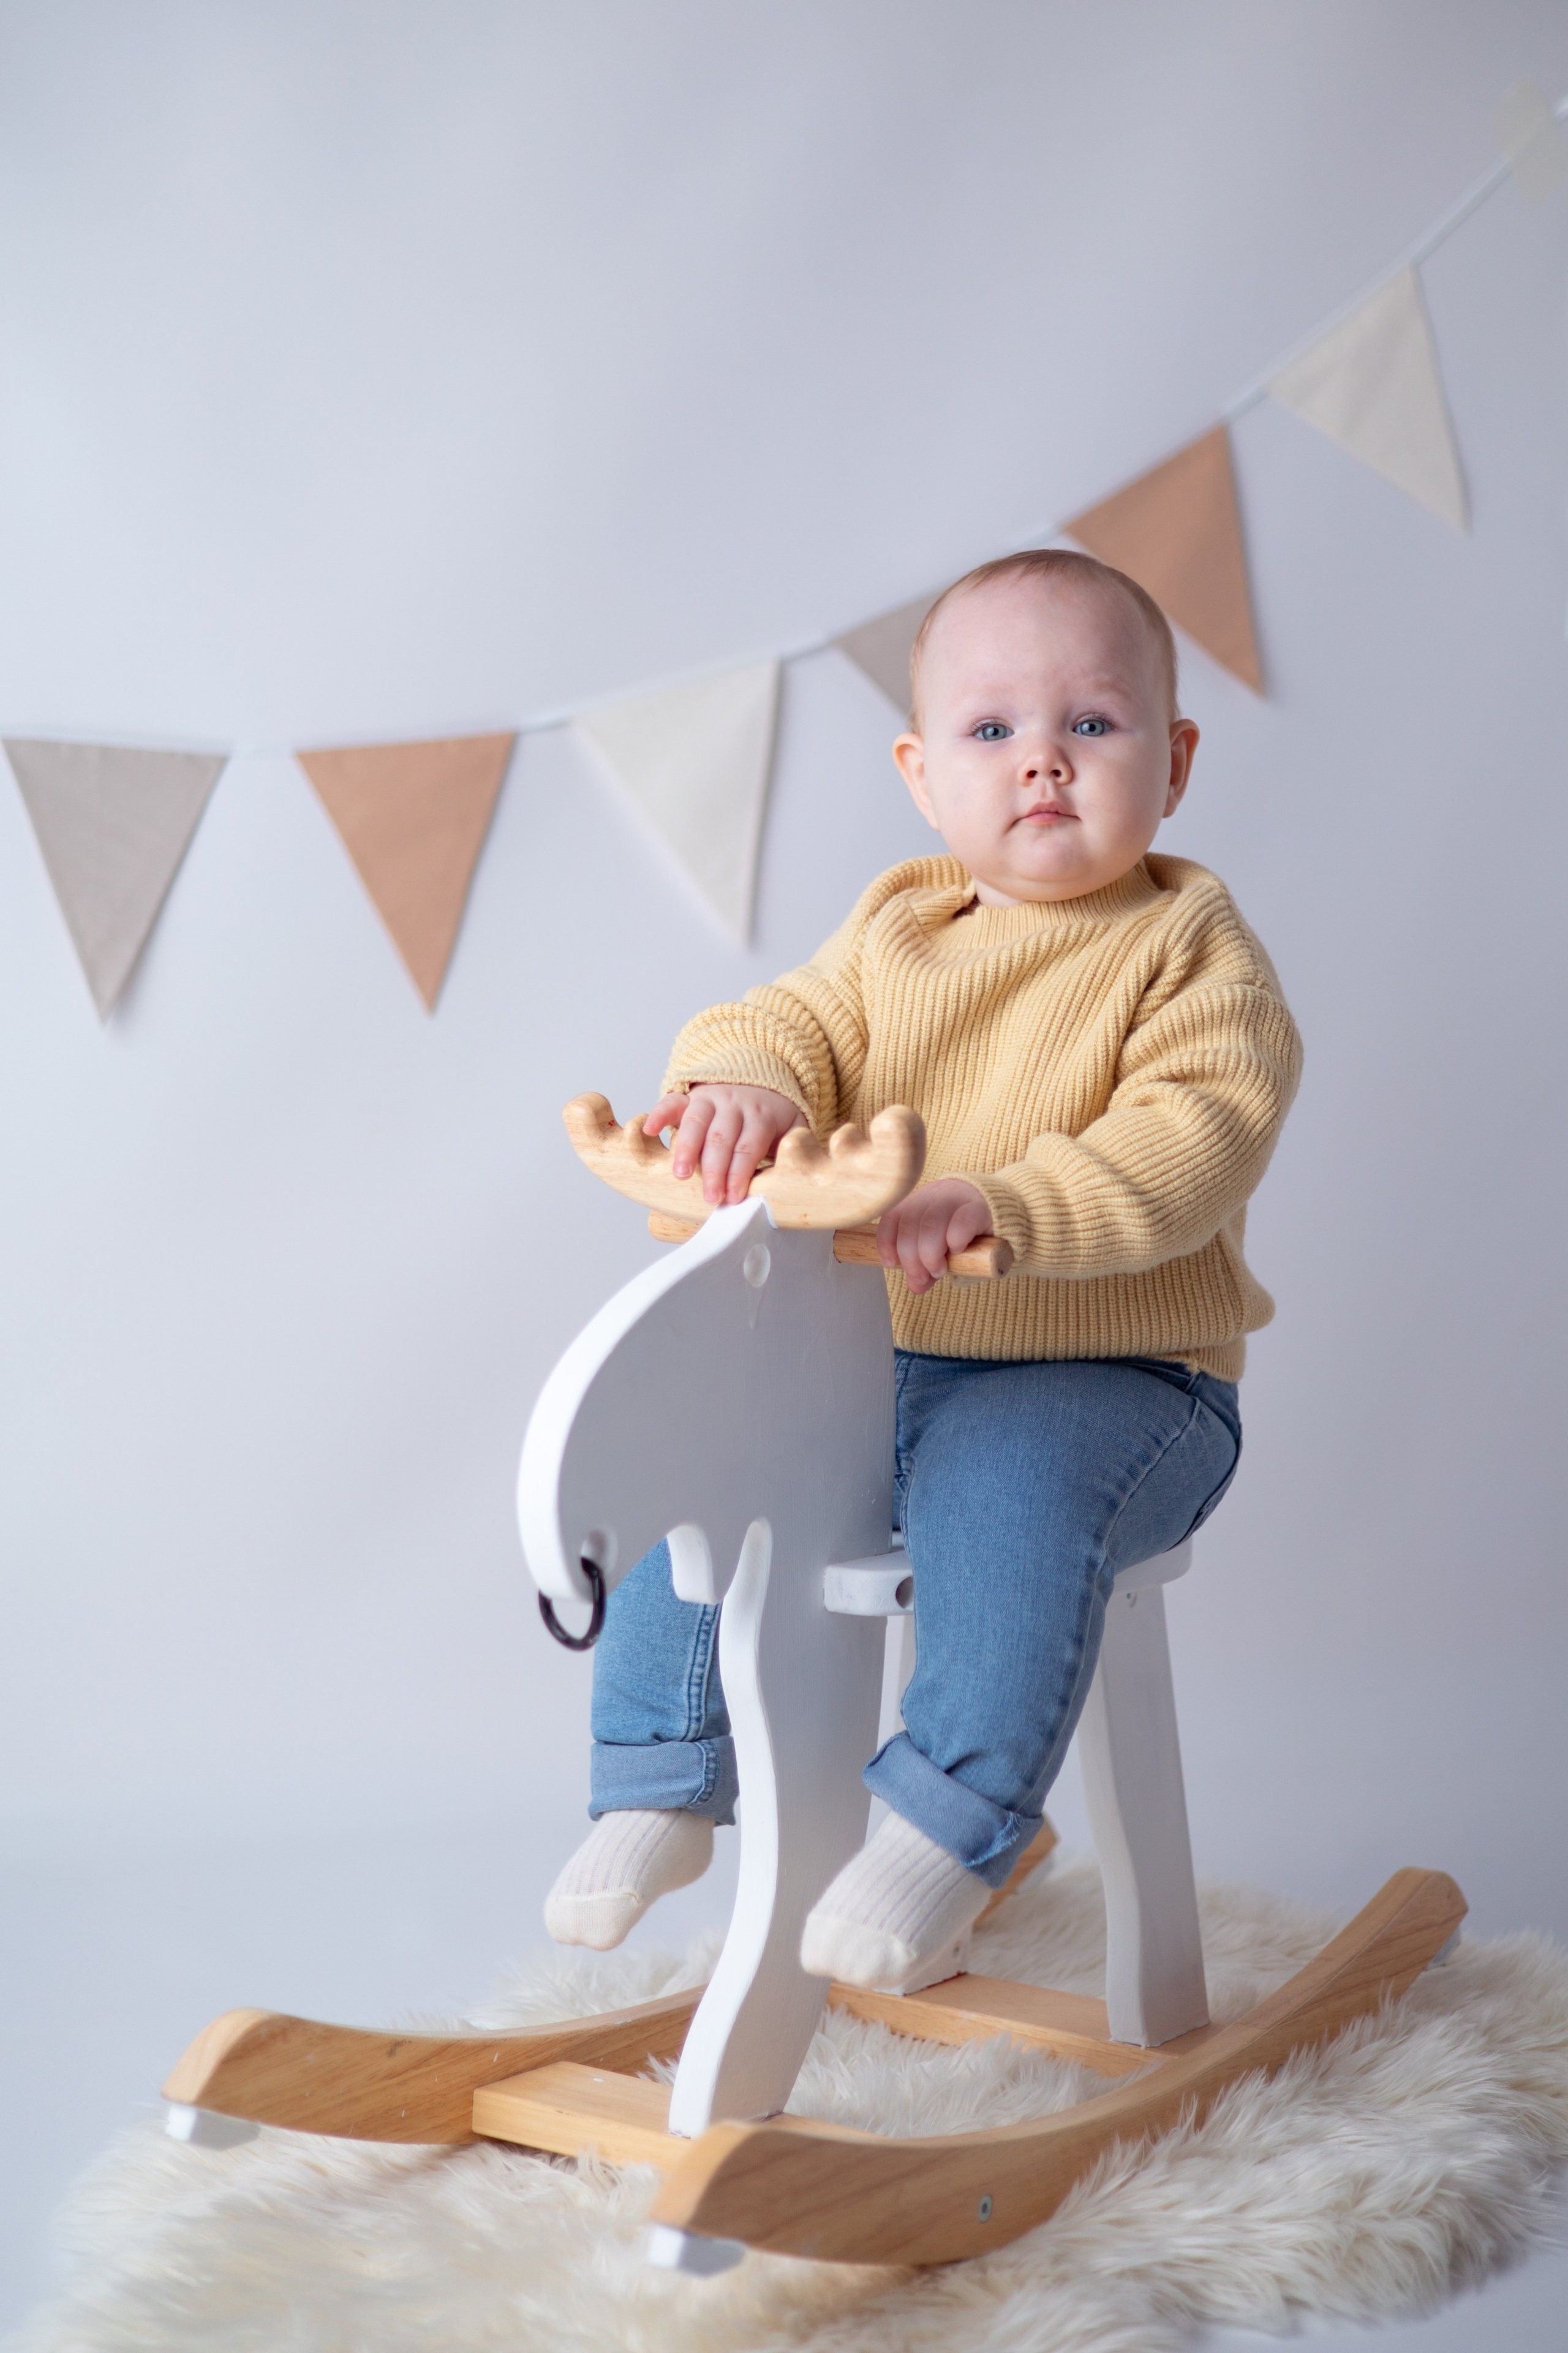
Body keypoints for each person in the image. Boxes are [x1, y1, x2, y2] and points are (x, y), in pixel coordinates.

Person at [544, 546, 1303, 1992]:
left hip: (1117, 1383)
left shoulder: (1190, 950)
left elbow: (1189, 1142)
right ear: (919, 773)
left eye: (1091, 723)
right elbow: (778, 1020)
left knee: (1004, 1498)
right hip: (887, 1368)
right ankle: (656, 1774)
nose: (1041, 761)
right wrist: (743, 1088)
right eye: (990, 728)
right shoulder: (897, 926)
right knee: (703, 1450)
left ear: (1174, 759)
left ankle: (946, 1826)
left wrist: (1003, 1203)